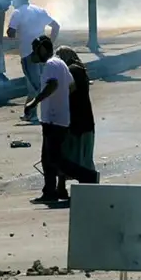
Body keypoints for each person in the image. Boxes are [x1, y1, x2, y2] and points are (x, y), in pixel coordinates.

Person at [24, 35, 100, 203]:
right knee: (49, 159)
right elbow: (71, 86)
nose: (33, 55)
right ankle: (50, 191)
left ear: (43, 49)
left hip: (54, 120)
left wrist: (35, 102)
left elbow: (53, 85)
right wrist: (61, 103)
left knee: (56, 159)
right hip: (58, 118)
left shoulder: (52, 64)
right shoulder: (60, 64)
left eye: (36, 51)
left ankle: (88, 176)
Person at [6, 0, 60, 123]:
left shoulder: (17, 13)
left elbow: (10, 33)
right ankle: (29, 113)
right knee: (36, 85)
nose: (12, 3)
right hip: (43, 54)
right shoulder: (39, 10)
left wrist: (13, 32)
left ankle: (42, 113)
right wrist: (49, 45)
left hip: (28, 55)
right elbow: (56, 26)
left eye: (14, 0)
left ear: (19, 0)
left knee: (35, 86)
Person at [54, 46, 96, 197]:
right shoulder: (79, 70)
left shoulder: (73, 70)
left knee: (69, 155)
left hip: (76, 120)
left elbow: (67, 91)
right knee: (81, 155)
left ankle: (70, 187)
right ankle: (82, 187)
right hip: (82, 119)